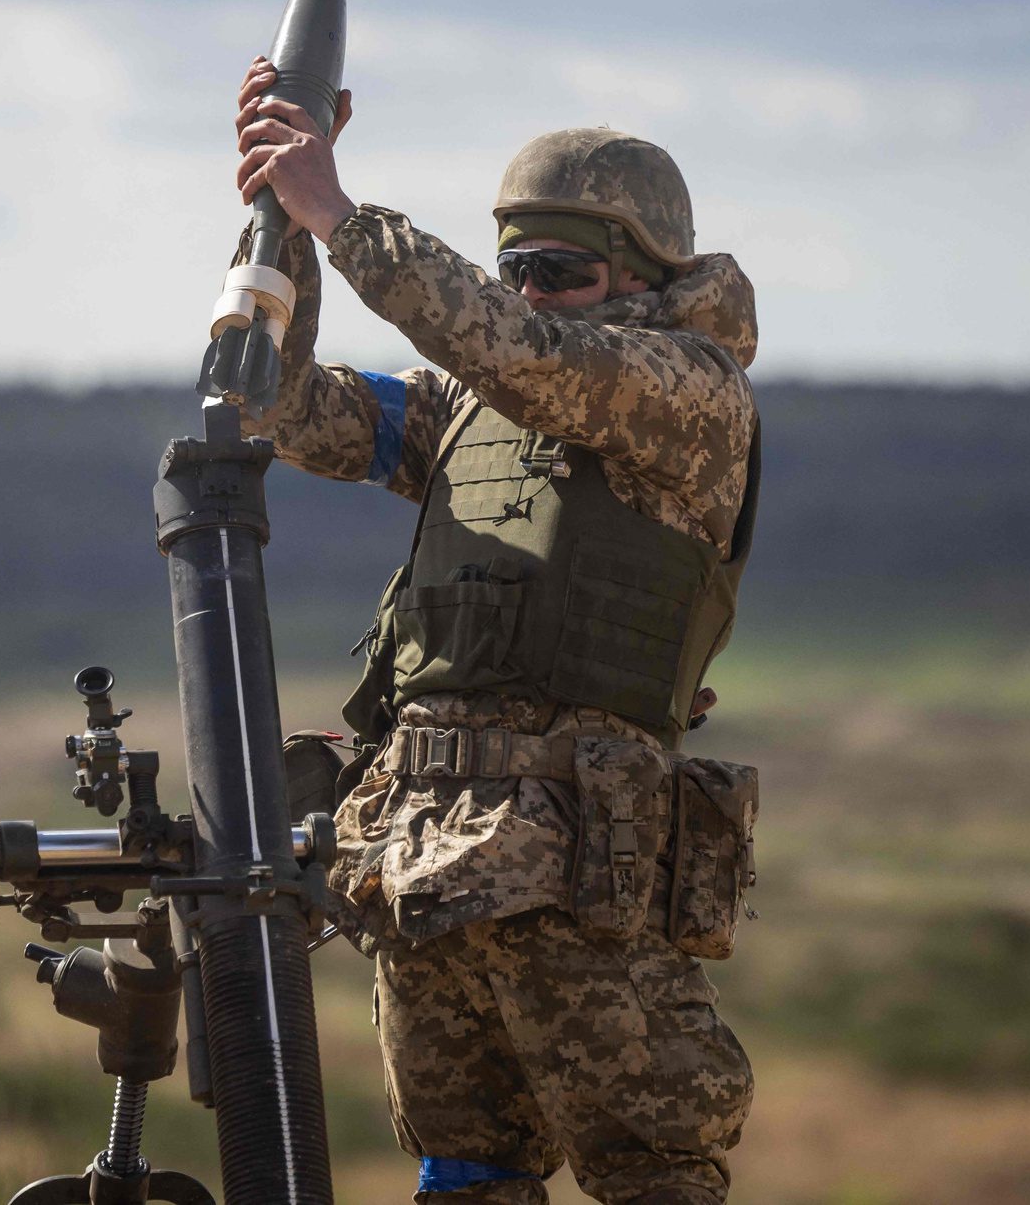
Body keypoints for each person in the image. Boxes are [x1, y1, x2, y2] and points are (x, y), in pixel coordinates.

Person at [231, 58, 761, 1205]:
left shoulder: (688, 391)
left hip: (584, 870)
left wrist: (346, 214)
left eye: (556, 272)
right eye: (512, 267)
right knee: (462, 1172)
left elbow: (533, 362)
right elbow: (283, 406)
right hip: (426, 862)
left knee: (650, 1172)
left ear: (644, 277)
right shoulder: (474, 406)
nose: (524, 293)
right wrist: (283, 222)